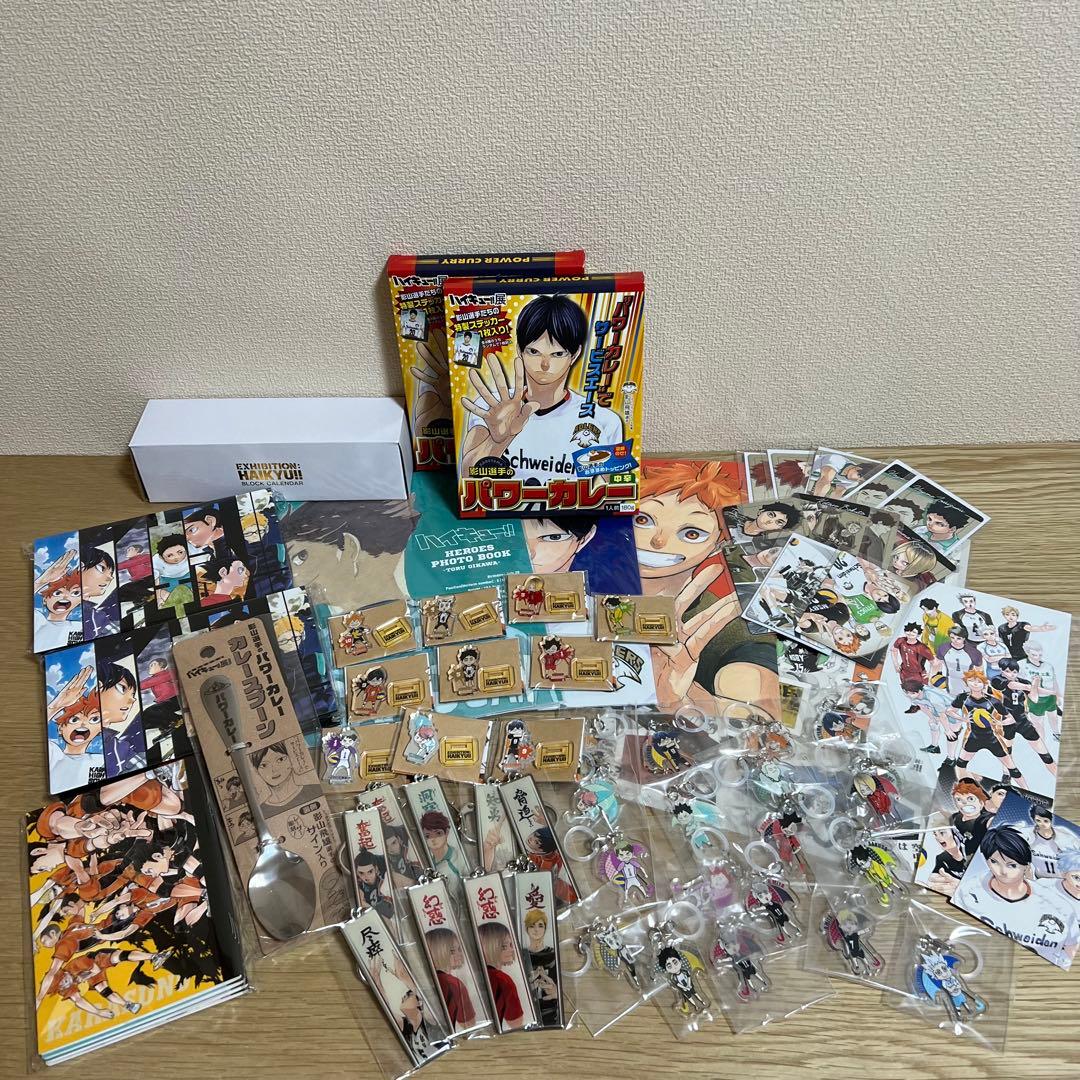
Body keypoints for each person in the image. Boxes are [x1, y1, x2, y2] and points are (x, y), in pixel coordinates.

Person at [459, 293, 623, 478]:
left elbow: (618, 487)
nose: (545, 364)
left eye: (557, 354)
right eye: (534, 351)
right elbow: (467, 478)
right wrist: (498, 441)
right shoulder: (491, 406)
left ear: (575, 354)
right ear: (520, 350)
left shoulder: (604, 420)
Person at [953, 827, 1077, 968]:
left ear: (1026, 866)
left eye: (1012, 865)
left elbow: (1071, 950)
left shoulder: (1058, 907)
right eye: (994, 861)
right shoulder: (968, 890)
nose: (1002, 871)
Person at [991, 657, 1057, 778]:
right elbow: (1013, 685)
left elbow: (1034, 698)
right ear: (1001, 670)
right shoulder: (997, 679)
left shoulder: (1023, 682)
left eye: (1014, 671)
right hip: (1006, 720)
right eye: (1007, 671)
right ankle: (1006, 775)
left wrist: (1036, 686)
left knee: (1044, 752)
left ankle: (1057, 774)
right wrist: (1033, 686)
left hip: (1022, 720)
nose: (1011, 674)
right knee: (1007, 751)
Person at [426, 927, 477, 1030]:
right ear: (437, 952)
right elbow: (469, 1024)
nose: (459, 954)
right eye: (452, 951)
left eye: (459, 949)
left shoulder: (430, 979)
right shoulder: (454, 984)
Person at [477, 922, 526, 1029]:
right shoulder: (503, 980)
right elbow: (516, 1023)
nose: (511, 949)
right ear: (489, 948)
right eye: (504, 946)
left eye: (511, 945)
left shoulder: (477, 976)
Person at [1020, 805, 1080, 878]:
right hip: (1037, 880)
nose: (1042, 824)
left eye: (1046, 821)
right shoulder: (1028, 835)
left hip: (1061, 880)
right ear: (1034, 820)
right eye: (1038, 821)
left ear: (1051, 819)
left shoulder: (1064, 835)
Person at [522, 908, 559, 1025]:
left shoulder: (553, 954)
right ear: (527, 929)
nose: (536, 929)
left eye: (540, 925)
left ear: (545, 928)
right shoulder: (521, 955)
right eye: (532, 926)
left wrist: (555, 994)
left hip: (551, 1013)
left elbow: (559, 989)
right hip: (526, 1013)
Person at [922, 812, 969, 894]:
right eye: (935, 834)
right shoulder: (941, 858)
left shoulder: (971, 853)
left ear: (955, 832)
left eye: (942, 833)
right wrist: (933, 881)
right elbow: (934, 878)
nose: (938, 837)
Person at [950, 779, 993, 858]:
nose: (964, 802)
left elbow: (991, 822)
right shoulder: (955, 817)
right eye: (959, 799)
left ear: (981, 803)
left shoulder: (984, 820)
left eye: (971, 799)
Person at [935, 627, 983, 697]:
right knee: (953, 698)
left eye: (958, 638)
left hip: (968, 681)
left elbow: (979, 669)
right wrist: (936, 674)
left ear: (964, 638)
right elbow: (938, 663)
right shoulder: (943, 648)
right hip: (952, 679)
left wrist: (980, 683)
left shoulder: (973, 652)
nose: (955, 640)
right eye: (952, 638)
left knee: (969, 699)